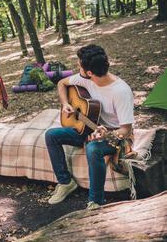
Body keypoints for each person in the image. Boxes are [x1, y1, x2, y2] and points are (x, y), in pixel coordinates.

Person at [45, 44, 134, 210]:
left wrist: (105, 135)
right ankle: (65, 182)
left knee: (93, 148)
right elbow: (61, 84)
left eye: (79, 65)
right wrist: (65, 104)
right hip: (90, 126)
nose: (78, 68)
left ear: (90, 72)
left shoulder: (121, 91)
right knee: (51, 135)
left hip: (115, 135)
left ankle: (96, 201)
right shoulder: (84, 79)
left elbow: (126, 130)